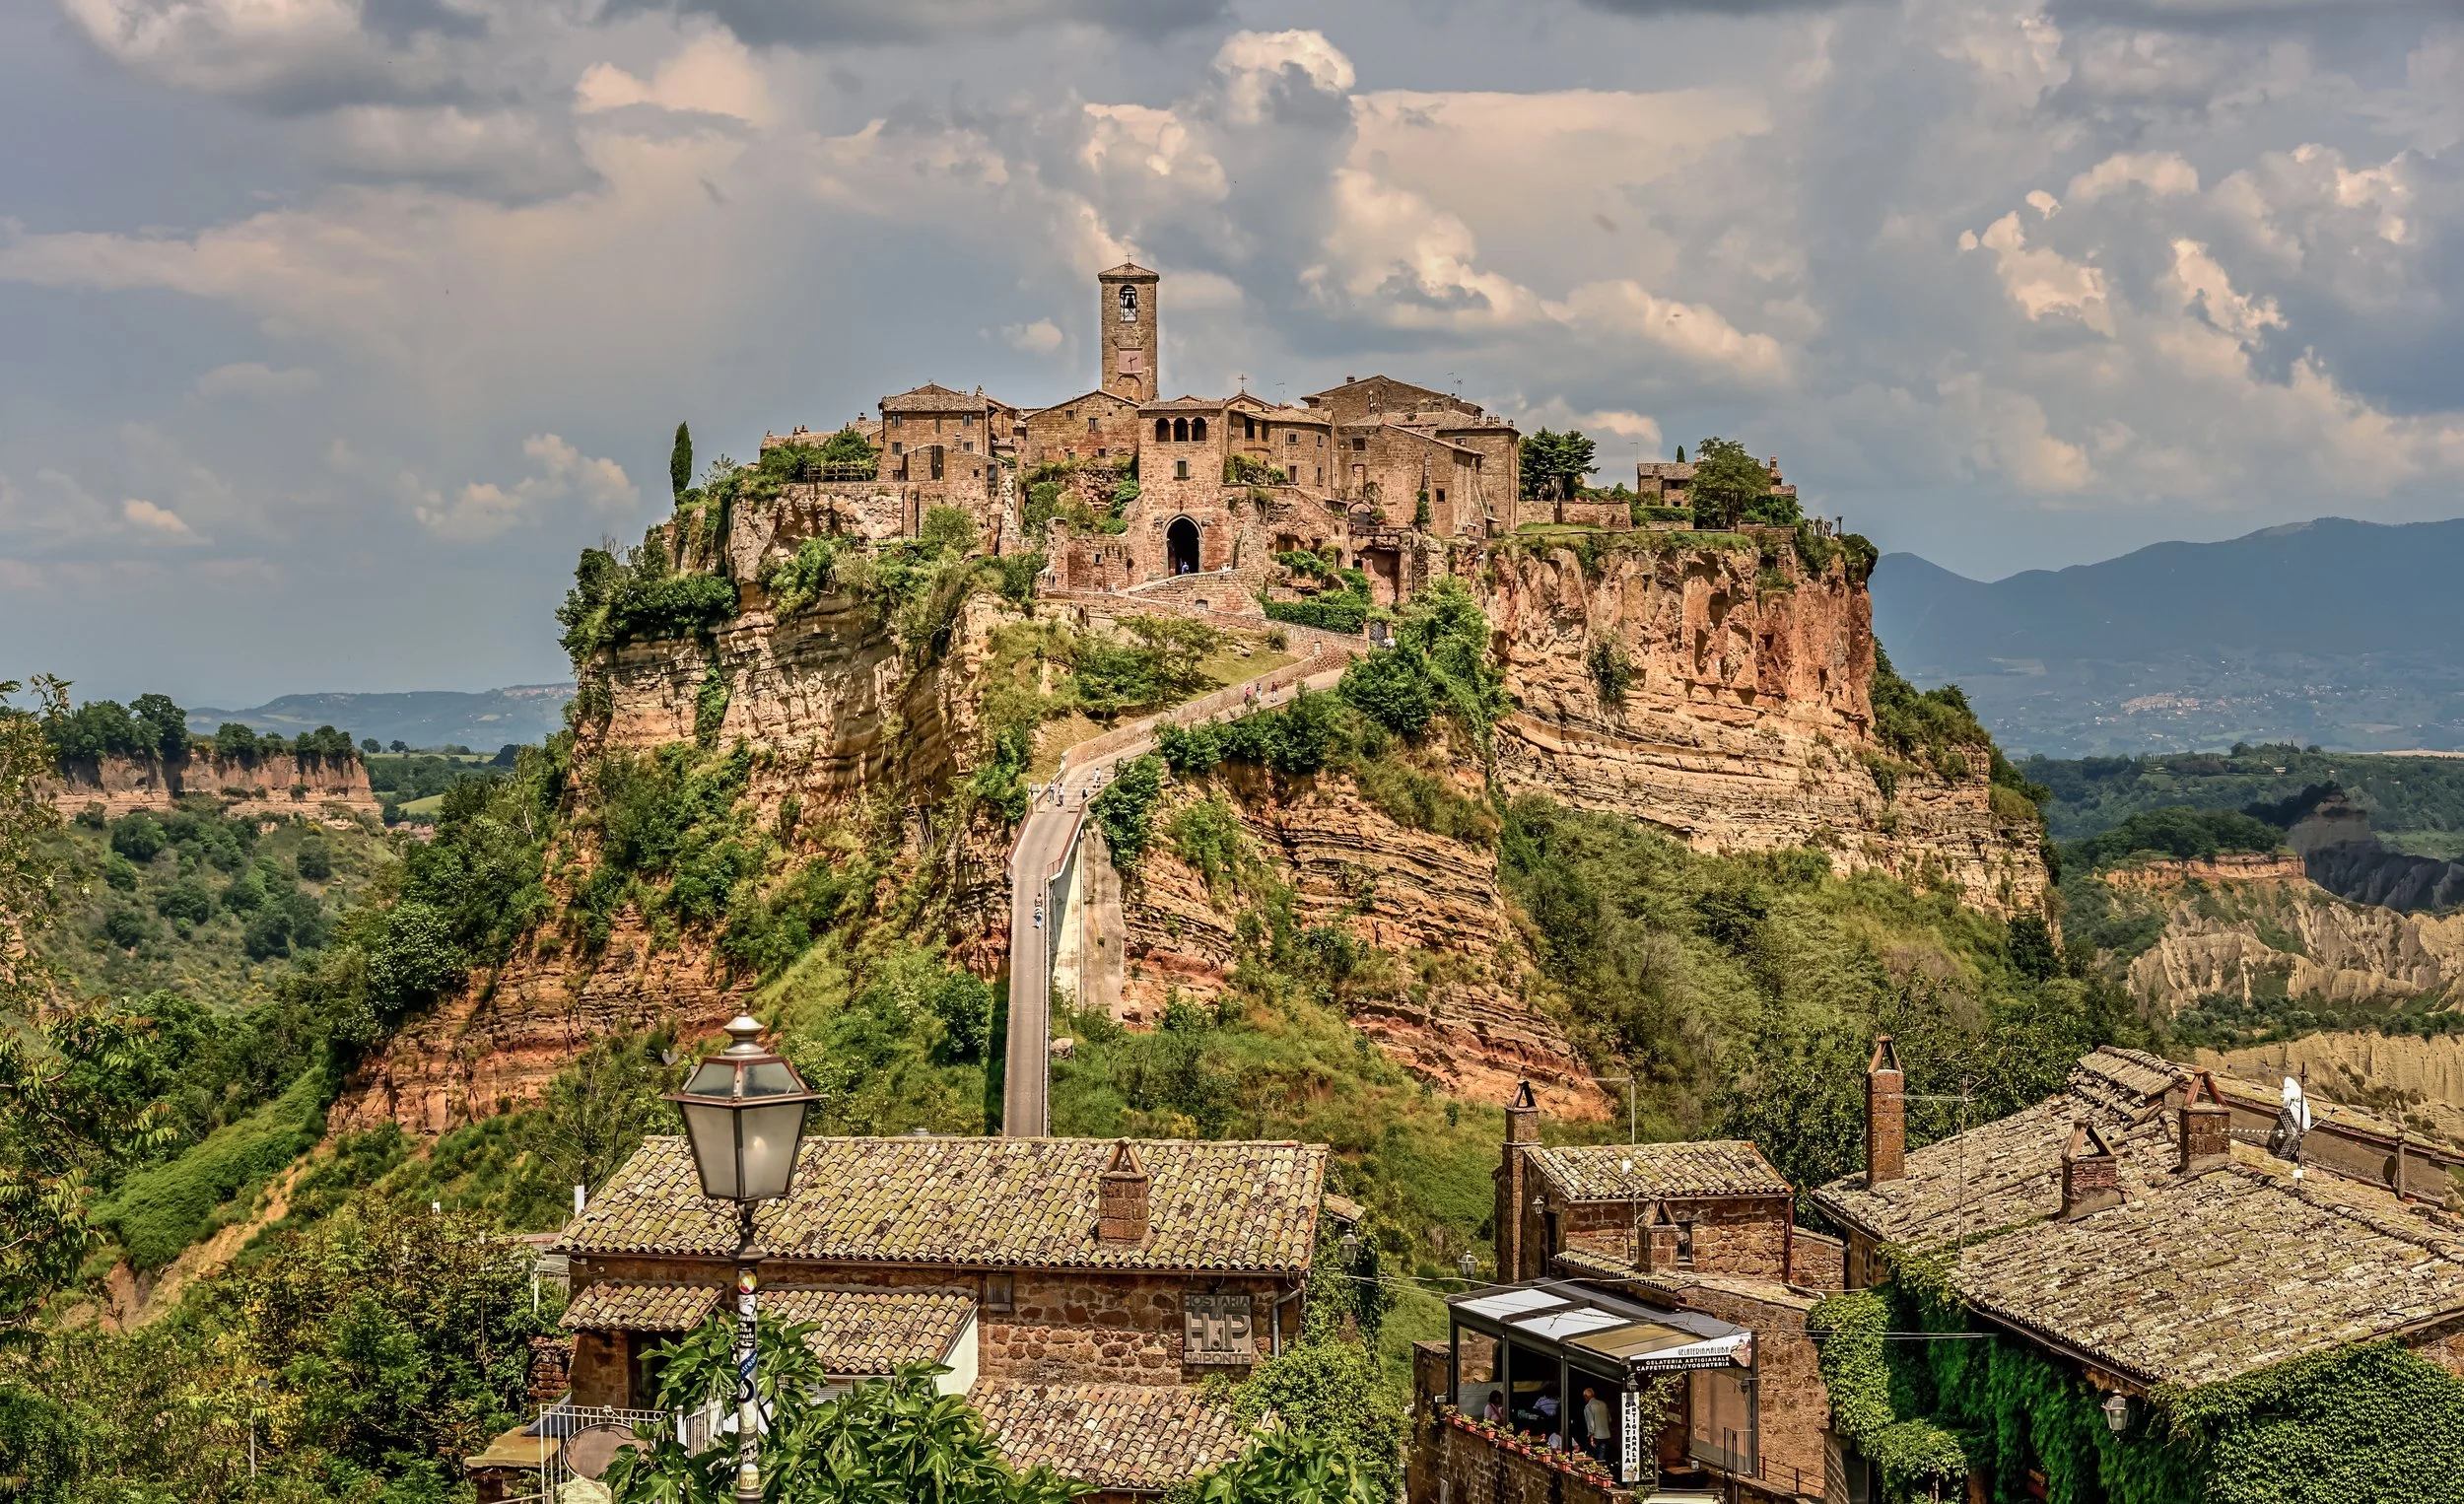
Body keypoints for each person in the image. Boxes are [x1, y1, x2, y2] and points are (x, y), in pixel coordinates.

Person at [1582, 1387, 1612, 1463]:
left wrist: (1591, 1436)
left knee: (1591, 1458)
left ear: (1586, 1396)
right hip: (1606, 1435)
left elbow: (1590, 1423)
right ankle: (1602, 1471)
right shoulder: (1603, 1404)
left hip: (1595, 1436)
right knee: (1602, 1458)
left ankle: (1594, 1473)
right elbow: (1610, 1419)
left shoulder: (1588, 1406)